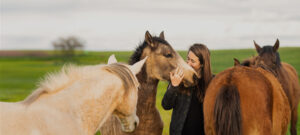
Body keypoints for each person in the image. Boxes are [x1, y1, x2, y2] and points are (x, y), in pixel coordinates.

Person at [162, 44, 214, 135]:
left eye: (193, 61)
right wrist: (173, 86)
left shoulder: (213, 83)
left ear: (202, 64)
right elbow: (166, 105)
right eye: (188, 59)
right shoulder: (179, 79)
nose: (188, 63)